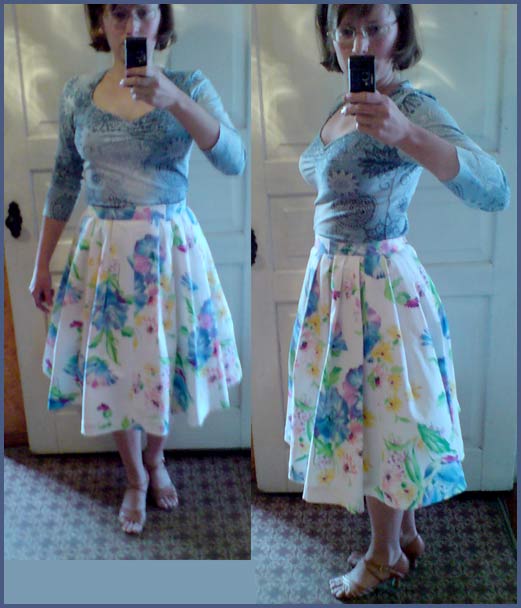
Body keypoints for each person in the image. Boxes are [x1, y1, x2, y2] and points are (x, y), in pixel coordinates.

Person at [284, 3, 510, 599]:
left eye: (374, 29)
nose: (359, 44)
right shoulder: (344, 104)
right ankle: (404, 533)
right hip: (337, 283)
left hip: (376, 289)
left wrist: (406, 134)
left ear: (399, 32)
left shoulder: (408, 106)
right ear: (331, 35)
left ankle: (381, 554)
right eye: (346, 30)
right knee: (385, 417)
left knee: (377, 425)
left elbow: (494, 190)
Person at [29, 4, 245, 535]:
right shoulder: (79, 94)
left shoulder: (189, 84)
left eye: (143, 12)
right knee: (112, 370)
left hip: (170, 254)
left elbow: (233, 159)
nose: (132, 26)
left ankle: (155, 458)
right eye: (118, 13)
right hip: (103, 256)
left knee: (160, 364)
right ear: (100, 22)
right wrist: (41, 265)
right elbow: (63, 180)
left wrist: (174, 101)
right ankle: (134, 477)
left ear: (161, 19)